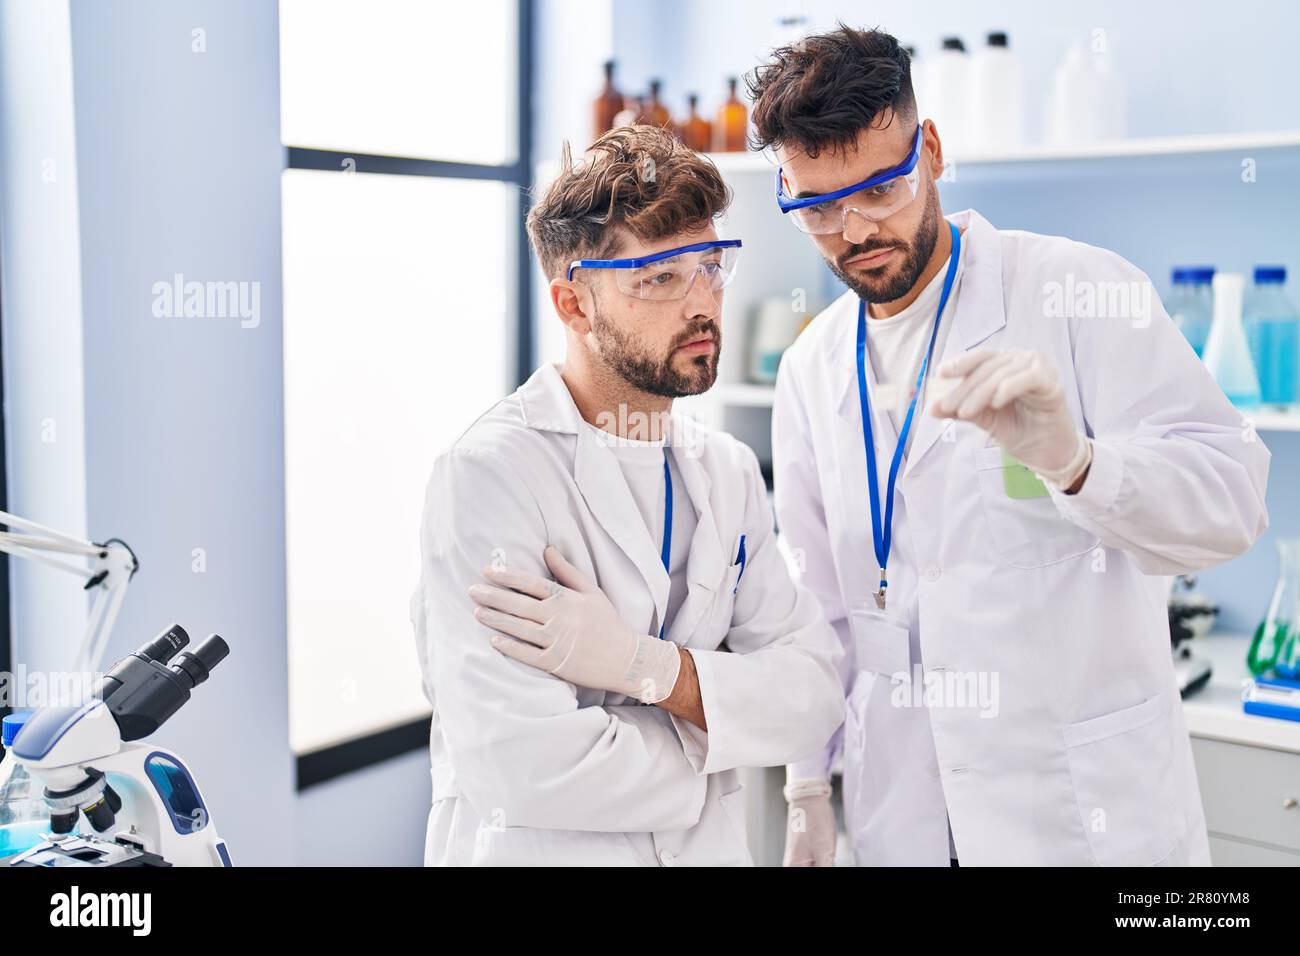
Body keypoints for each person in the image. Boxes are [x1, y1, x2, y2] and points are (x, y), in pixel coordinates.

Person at [748, 26, 1271, 866]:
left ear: (932, 151)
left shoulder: (1077, 291)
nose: (854, 231)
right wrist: (807, 786)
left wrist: (1081, 465)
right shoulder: (812, 368)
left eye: (880, 188)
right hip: (902, 814)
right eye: (818, 207)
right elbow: (821, 611)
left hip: (1076, 815)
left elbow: (1234, 500)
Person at [409, 125, 844, 867]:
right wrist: (721, 750)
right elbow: (527, 769)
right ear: (573, 303)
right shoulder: (490, 477)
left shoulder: (728, 470)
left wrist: (646, 667)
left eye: (711, 266)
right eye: (660, 278)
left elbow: (812, 699)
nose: (703, 302)